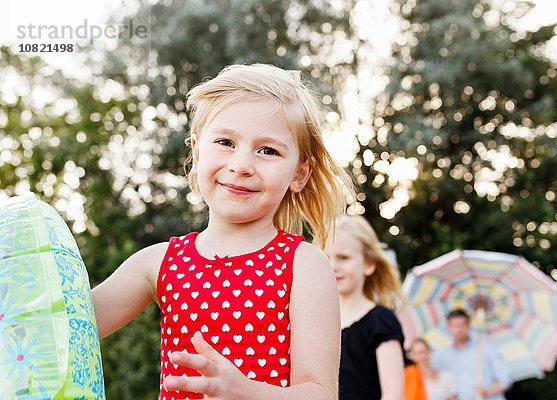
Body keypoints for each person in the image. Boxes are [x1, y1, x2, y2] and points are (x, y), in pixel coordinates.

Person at [91, 63, 354, 399]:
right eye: (226, 142)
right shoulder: (156, 264)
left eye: (268, 151)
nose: (241, 165)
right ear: (197, 151)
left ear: (299, 174)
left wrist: (246, 391)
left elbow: (320, 393)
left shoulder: (304, 265)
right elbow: (64, 329)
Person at [325, 215, 405, 400]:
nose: (333, 266)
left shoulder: (381, 321)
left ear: (369, 264)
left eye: (343, 258)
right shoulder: (316, 323)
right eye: (327, 257)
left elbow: (393, 395)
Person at [431, 309, 512, 400]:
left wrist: (488, 391)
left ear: (469, 325)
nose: (459, 329)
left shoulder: (486, 348)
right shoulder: (441, 356)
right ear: (449, 328)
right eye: (455, 326)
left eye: (462, 325)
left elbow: (505, 379)